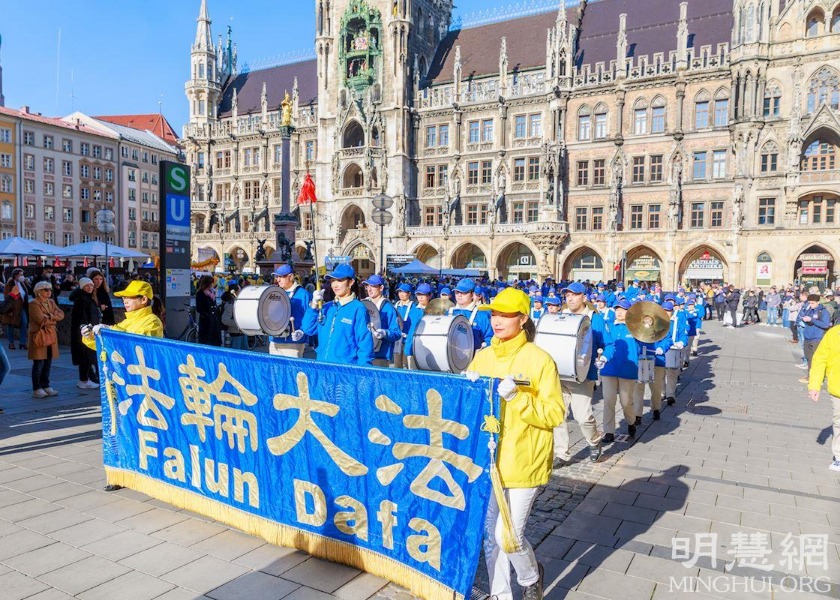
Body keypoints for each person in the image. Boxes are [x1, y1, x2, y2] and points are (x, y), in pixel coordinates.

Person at [465, 287, 564, 600]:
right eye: (494, 313)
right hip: (490, 460)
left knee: (508, 536)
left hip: (525, 459)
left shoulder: (540, 360)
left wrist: (518, 398)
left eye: (506, 314)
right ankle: (500, 594)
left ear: (523, 319)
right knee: (489, 535)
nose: (497, 320)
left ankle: (531, 578)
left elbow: (554, 413)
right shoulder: (482, 356)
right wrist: (465, 387)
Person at [82, 279, 164, 492]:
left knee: (142, 431)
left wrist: (111, 332)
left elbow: (138, 346)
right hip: (119, 387)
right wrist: (91, 337)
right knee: (118, 431)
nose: (125, 301)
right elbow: (106, 345)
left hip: (142, 388)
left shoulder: (152, 322)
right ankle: (119, 472)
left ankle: (147, 471)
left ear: (143, 299)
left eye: (130, 297)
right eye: (124, 297)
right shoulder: (125, 322)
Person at [554, 282, 604, 466]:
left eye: (574, 295)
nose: (570, 298)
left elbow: (608, 344)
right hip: (560, 374)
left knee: (583, 417)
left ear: (584, 297)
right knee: (558, 415)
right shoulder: (561, 317)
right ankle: (561, 453)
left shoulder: (594, 318)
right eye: (567, 295)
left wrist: (604, 357)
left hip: (583, 375)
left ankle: (594, 441)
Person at [300, 264, 374, 365]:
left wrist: (363, 372)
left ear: (351, 282)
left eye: (340, 280)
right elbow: (307, 328)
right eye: (332, 281)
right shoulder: (327, 307)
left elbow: (365, 344)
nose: (335, 285)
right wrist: (313, 305)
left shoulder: (358, 309)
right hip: (322, 366)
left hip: (345, 371)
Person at [597, 299, 640, 442]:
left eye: (623, 309)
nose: (619, 312)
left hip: (627, 369)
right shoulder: (608, 326)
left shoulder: (636, 328)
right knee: (609, 400)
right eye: (617, 309)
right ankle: (608, 431)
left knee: (626, 401)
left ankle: (631, 421)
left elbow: (645, 342)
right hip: (609, 368)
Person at [808, 323, 840, 471]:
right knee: (839, 423)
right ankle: (839, 457)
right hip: (838, 389)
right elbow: (820, 359)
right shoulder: (834, 333)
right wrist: (815, 385)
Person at [28, 281, 65, 399]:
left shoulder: (51, 302)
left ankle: (46, 385)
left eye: (50, 289)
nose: (49, 291)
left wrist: (48, 316)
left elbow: (61, 315)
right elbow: (39, 319)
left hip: (50, 335)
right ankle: (37, 387)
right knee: (39, 362)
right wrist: (53, 317)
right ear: (38, 291)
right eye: (46, 289)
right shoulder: (34, 304)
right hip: (39, 335)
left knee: (48, 362)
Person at [269, 265, 312, 358]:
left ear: (291, 276)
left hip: (293, 344)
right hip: (274, 341)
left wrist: (302, 331)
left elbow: (310, 317)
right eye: (277, 277)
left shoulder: (303, 294)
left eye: (281, 276)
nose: (278, 279)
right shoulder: (275, 293)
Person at [362, 274, 402, 367]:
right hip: (364, 352)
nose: (369, 289)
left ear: (381, 288)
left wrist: (385, 333)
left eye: (373, 286)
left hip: (381, 355)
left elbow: (397, 333)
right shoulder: (364, 304)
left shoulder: (388, 308)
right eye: (368, 286)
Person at [69, 277, 101, 389]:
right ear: (82, 287)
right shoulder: (82, 299)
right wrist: (86, 329)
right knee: (85, 357)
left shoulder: (86, 298)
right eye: (87, 286)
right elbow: (81, 318)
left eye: (91, 286)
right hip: (84, 333)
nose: (90, 288)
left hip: (87, 332)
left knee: (87, 357)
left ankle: (86, 379)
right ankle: (84, 380)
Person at [449, 279, 494, 349]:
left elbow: (490, 339)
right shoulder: (449, 313)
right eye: (457, 292)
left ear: (472, 294)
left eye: (464, 292)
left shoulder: (482, 315)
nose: (459, 295)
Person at [798, 294, 831, 383]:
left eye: (812, 303)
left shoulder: (823, 312)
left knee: (817, 360)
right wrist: (804, 316)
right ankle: (810, 377)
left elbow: (826, 325)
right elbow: (803, 315)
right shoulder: (809, 309)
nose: (811, 305)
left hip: (817, 338)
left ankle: (818, 379)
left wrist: (812, 320)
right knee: (809, 359)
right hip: (807, 337)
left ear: (818, 302)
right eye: (809, 303)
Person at [404, 282, 432, 370]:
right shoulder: (413, 310)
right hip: (412, 347)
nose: (420, 297)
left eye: (423, 295)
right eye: (418, 294)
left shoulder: (435, 311)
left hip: (428, 348)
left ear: (429, 296)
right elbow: (407, 329)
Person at [3, 268, 29, 349]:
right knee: (11, 324)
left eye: (22, 274)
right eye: (21, 275)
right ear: (15, 275)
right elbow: (6, 297)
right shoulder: (10, 284)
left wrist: (27, 282)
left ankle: (23, 342)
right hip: (13, 308)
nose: (22, 276)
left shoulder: (22, 283)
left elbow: (27, 292)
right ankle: (11, 343)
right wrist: (9, 309)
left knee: (24, 323)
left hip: (22, 307)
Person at [220, 283, 249, 351]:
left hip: (241, 331)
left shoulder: (236, 301)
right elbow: (225, 320)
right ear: (234, 292)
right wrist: (237, 323)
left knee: (244, 351)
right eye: (239, 290)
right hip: (235, 332)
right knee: (237, 352)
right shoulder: (230, 304)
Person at [393, 282, 415, 369]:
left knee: (407, 364)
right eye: (399, 292)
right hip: (397, 339)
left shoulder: (413, 306)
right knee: (397, 364)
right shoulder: (396, 305)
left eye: (404, 292)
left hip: (407, 339)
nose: (401, 294)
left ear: (409, 293)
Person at [195, 275, 222, 346]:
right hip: (206, 322)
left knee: (215, 341)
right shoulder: (200, 293)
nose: (213, 284)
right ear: (208, 283)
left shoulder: (211, 293)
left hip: (214, 321)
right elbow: (199, 308)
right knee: (206, 341)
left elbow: (214, 305)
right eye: (211, 283)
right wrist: (207, 315)